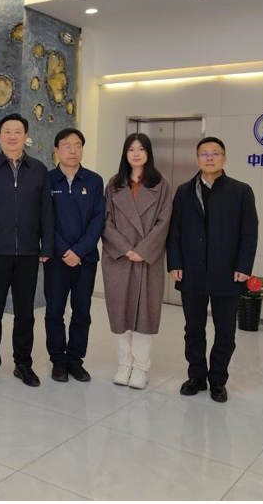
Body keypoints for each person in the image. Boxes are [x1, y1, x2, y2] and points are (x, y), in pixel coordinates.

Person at [167, 136, 258, 403]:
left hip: (228, 272)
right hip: (191, 271)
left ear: (224, 158)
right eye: (204, 154)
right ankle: (196, 375)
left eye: (215, 153)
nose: (209, 158)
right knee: (193, 328)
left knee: (225, 330)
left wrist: (244, 266)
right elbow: (174, 231)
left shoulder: (241, 191)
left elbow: (249, 233)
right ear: (197, 159)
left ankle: (218, 379)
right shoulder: (184, 191)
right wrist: (175, 262)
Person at [0, 113, 53, 388]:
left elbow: (46, 211)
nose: (13, 136)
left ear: (26, 136)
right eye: (7, 131)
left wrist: (46, 245)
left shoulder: (39, 170)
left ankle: (23, 364)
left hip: (28, 252)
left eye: (18, 131)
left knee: (25, 313)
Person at [101, 133, 172, 390]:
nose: (136, 153)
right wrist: (124, 248)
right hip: (118, 258)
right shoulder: (114, 183)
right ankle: (124, 364)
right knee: (120, 313)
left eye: (141, 149)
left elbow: (165, 221)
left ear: (148, 153)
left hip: (147, 259)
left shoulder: (161, 184)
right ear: (125, 153)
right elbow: (105, 221)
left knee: (144, 315)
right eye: (131, 149)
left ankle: (141, 368)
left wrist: (143, 250)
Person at [44, 128, 104, 383]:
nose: (72, 150)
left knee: (82, 312)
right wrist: (63, 250)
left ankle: (75, 361)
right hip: (56, 260)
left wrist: (79, 250)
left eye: (77, 145)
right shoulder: (47, 180)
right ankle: (58, 361)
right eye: (67, 145)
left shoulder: (94, 180)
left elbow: (98, 219)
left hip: (85, 259)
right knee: (54, 311)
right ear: (56, 150)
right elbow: (44, 220)